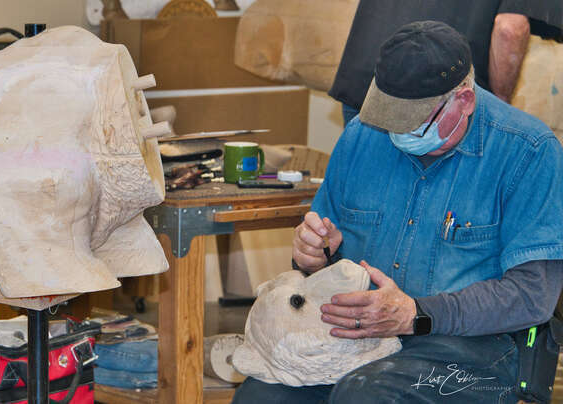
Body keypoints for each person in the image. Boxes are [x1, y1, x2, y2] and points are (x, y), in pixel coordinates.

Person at [232, 21, 563, 403]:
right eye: (392, 121)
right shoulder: (362, 135)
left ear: (464, 101)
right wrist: (315, 255)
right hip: (364, 336)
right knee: (261, 396)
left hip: (475, 349)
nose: (399, 136)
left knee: (366, 396)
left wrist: (417, 313)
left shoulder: (530, 152)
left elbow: (532, 296)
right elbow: (323, 260)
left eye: (415, 124)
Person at [329, 0, 563, 126]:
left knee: (364, 200)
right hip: (431, 101)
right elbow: (510, 29)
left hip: (369, 79)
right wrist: (498, 105)